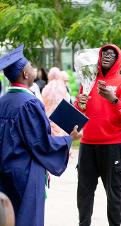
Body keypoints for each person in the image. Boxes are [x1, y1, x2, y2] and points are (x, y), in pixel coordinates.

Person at [0, 45, 81, 226]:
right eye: (29, 66)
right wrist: (69, 138)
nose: (33, 68)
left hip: (4, 170)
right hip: (26, 173)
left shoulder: (3, 102)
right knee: (27, 218)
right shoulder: (29, 103)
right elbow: (41, 143)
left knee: (6, 218)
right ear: (25, 74)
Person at [74, 44, 121, 226]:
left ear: (118, 60)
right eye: (104, 53)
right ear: (99, 57)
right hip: (87, 145)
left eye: (112, 54)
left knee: (114, 193)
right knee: (84, 193)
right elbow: (79, 111)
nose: (108, 56)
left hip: (112, 146)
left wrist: (113, 99)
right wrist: (79, 102)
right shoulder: (88, 80)